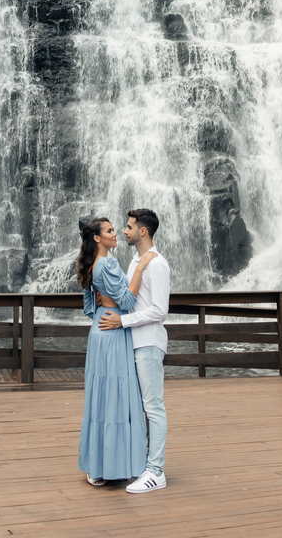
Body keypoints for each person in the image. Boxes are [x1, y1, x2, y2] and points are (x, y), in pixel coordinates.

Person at [76, 216, 156, 486]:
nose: (116, 234)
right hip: (113, 332)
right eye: (109, 231)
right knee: (116, 397)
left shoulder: (91, 264)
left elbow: (90, 308)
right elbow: (126, 300)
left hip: (100, 329)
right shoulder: (107, 264)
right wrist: (140, 268)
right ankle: (114, 464)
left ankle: (97, 466)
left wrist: (104, 304)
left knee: (101, 398)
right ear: (97, 238)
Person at [99, 208, 170, 494]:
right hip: (133, 343)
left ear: (143, 231)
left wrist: (122, 321)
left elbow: (160, 310)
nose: (124, 231)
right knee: (141, 407)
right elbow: (128, 299)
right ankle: (144, 465)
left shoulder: (157, 264)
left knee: (153, 407)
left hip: (149, 343)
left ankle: (156, 472)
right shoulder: (135, 262)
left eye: (129, 227)